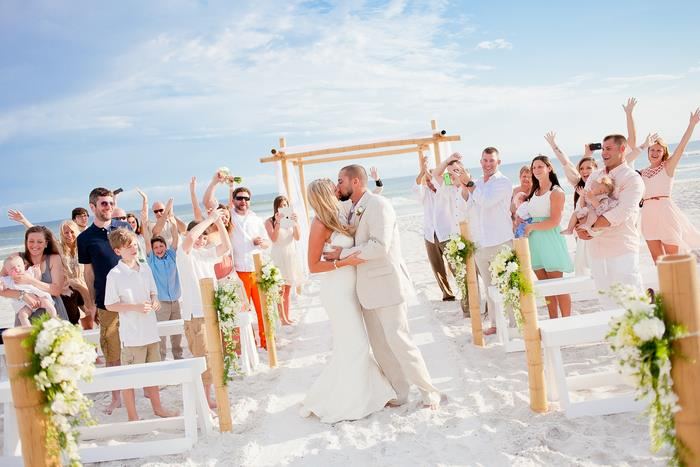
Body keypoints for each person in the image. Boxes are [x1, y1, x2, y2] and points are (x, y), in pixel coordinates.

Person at [324, 164, 441, 409]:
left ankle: (428, 391)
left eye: (340, 181)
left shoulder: (379, 205)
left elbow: (379, 247)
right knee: (380, 347)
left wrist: (342, 254)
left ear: (356, 181)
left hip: (387, 285)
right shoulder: (352, 208)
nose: (338, 186)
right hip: (366, 290)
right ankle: (401, 391)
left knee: (400, 341)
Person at [300, 178, 395, 422]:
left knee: (349, 346)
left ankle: (363, 394)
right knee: (356, 345)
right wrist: (344, 262)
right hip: (336, 291)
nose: (338, 189)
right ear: (325, 193)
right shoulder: (319, 223)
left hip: (351, 289)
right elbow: (313, 266)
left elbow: (365, 202)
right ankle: (350, 402)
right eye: (333, 187)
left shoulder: (340, 215)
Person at [104, 228, 178, 421]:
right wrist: (134, 307)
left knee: (153, 374)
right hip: (132, 336)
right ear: (118, 251)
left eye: (134, 244)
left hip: (151, 332)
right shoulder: (114, 274)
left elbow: (153, 292)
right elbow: (109, 304)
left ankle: (158, 408)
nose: (133, 248)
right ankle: (132, 416)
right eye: (128, 246)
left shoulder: (145, 267)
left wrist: (155, 300)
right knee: (129, 378)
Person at [77, 187, 131, 414]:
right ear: (93, 207)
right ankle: (116, 397)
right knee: (111, 350)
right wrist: (91, 303)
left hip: (132, 299)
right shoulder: (84, 238)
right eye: (103, 203)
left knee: (137, 345)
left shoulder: (124, 228)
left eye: (110, 203)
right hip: (105, 302)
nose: (108, 207)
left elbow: (136, 259)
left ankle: (146, 390)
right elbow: (88, 273)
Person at [449, 148, 514, 335]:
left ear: (498, 162)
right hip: (481, 243)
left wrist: (469, 183)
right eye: (485, 160)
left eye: (491, 160)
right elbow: (465, 208)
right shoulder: (476, 183)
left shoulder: (503, 182)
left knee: (508, 285)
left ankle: (514, 323)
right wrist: (463, 186)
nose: (488, 164)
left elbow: (486, 202)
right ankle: (495, 324)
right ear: (480, 162)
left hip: (501, 241)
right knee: (489, 287)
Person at [626, 106, 700, 263]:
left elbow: (681, 148)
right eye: (652, 150)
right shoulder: (641, 173)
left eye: (658, 150)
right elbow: (626, 158)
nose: (654, 153)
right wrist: (629, 114)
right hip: (648, 216)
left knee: (674, 260)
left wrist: (692, 125)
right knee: (658, 261)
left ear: (663, 152)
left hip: (666, 213)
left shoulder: (668, 166)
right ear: (648, 152)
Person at [176, 210, 232, 409]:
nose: (200, 240)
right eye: (199, 236)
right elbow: (190, 237)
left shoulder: (206, 255)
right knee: (203, 360)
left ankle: (208, 398)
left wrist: (219, 222)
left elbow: (226, 246)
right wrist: (210, 219)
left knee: (214, 357)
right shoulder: (184, 254)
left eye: (204, 237)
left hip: (211, 312)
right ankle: (204, 400)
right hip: (196, 316)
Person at [577, 135, 645, 295]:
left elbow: (620, 213)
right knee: (606, 300)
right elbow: (583, 203)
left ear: (622, 149)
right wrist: (579, 228)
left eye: (608, 149)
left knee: (632, 300)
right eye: (603, 149)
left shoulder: (632, 178)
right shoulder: (594, 175)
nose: (603, 153)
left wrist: (588, 227)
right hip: (596, 251)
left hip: (621, 249)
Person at [517, 156, 573, 319]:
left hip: (550, 240)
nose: (536, 170)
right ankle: (553, 320)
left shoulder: (556, 192)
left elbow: (555, 221)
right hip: (535, 242)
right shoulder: (534, 192)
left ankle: (567, 321)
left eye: (540, 166)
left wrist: (532, 226)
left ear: (549, 168)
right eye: (534, 167)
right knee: (545, 288)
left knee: (558, 286)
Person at [544, 131, 599, 275]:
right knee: (585, 267)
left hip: (599, 231)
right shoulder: (578, 183)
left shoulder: (604, 184)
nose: (584, 171)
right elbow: (565, 162)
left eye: (589, 168)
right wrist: (554, 145)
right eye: (581, 169)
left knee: (599, 267)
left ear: (597, 169)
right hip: (580, 232)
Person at [430, 154, 475, 316]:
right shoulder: (446, 188)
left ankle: (479, 305)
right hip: (453, 238)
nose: (453, 174)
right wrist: (448, 160)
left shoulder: (471, 187)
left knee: (475, 273)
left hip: (472, 236)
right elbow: (435, 173)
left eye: (456, 170)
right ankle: (468, 308)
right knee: (460, 275)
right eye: (449, 172)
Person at [143, 198, 183, 361]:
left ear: (165, 247)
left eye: (161, 246)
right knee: (161, 334)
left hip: (175, 301)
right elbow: (147, 238)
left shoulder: (172, 255)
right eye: (156, 247)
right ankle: (162, 360)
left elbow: (175, 237)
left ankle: (178, 357)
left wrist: (172, 221)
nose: (159, 249)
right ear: (152, 250)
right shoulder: (151, 259)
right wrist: (145, 210)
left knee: (177, 333)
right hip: (161, 303)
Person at [413, 153, 456, 302]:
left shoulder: (446, 189)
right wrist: (423, 171)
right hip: (430, 235)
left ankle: (465, 291)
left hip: (447, 234)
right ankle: (447, 294)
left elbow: (445, 179)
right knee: (437, 267)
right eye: (427, 181)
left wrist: (431, 172)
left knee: (454, 265)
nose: (430, 183)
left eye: (431, 179)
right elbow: (416, 186)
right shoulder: (424, 193)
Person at [265, 195, 303, 325]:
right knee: (280, 290)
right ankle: (282, 319)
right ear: (276, 207)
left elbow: (297, 238)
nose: (283, 207)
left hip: (290, 256)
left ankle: (287, 317)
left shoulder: (290, 220)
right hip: (278, 257)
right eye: (281, 205)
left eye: (285, 205)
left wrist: (296, 223)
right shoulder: (269, 221)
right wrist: (278, 223)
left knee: (287, 290)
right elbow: (274, 239)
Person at [1, 254, 58, 326]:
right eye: (12, 268)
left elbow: (37, 280)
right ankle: (28, 328)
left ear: (24, 266)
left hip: (38, 296)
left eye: (19, 266)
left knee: (49, 306)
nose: (16, 269)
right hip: (24, 303)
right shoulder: (9, 280)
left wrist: (37, 272)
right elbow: (2, 287)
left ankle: (54, 319)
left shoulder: (28, 273)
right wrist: (1, 286)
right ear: (7, 272)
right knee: (22, 316)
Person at [59, 220, 91, 326]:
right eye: (66, 232)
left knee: (91, 321)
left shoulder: (83, 245)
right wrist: (24, 221)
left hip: (85, 285)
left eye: (72, 232)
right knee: (75, 322)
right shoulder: (59, 248)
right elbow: (44, 235)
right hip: (70, 288)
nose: (69, 235)